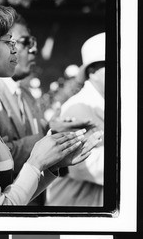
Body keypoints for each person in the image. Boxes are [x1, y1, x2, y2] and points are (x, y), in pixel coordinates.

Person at [0, 0, 102, 206]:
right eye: (7, 41)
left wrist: (51, 164)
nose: (15, 49)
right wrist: (36, 161)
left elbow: (11, 195)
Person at [46, 32, 105, 207]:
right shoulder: (78, 107)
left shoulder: (107, 102)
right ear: (92, 71)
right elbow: (81, 165)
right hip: (73, 211)